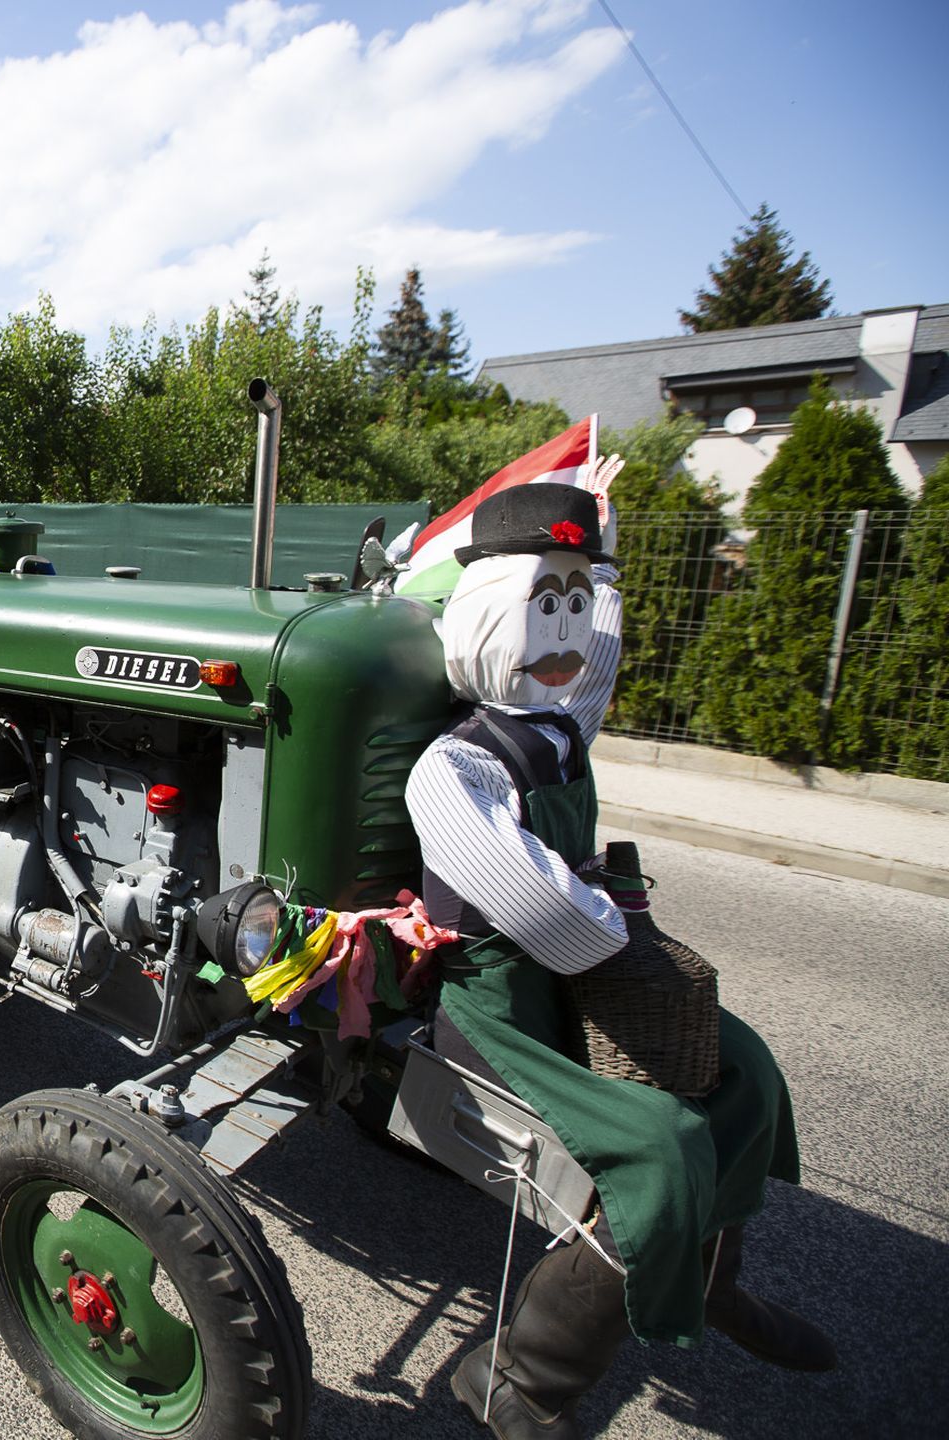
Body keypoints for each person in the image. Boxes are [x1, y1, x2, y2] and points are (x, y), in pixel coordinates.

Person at [404, 482, 833, 1440]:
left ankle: (709, 1280)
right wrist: (611, 923)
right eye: (543, 606)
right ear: (489, 615)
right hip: (498, 1008)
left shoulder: (559, 731)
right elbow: (532, 901)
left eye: (573, 607)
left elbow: (591, 674)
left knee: (748, 1071)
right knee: (661, 1148)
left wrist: (604, 573)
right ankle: (518, 1380)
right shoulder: (458, 765)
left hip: (578, 976)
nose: (563, 633)